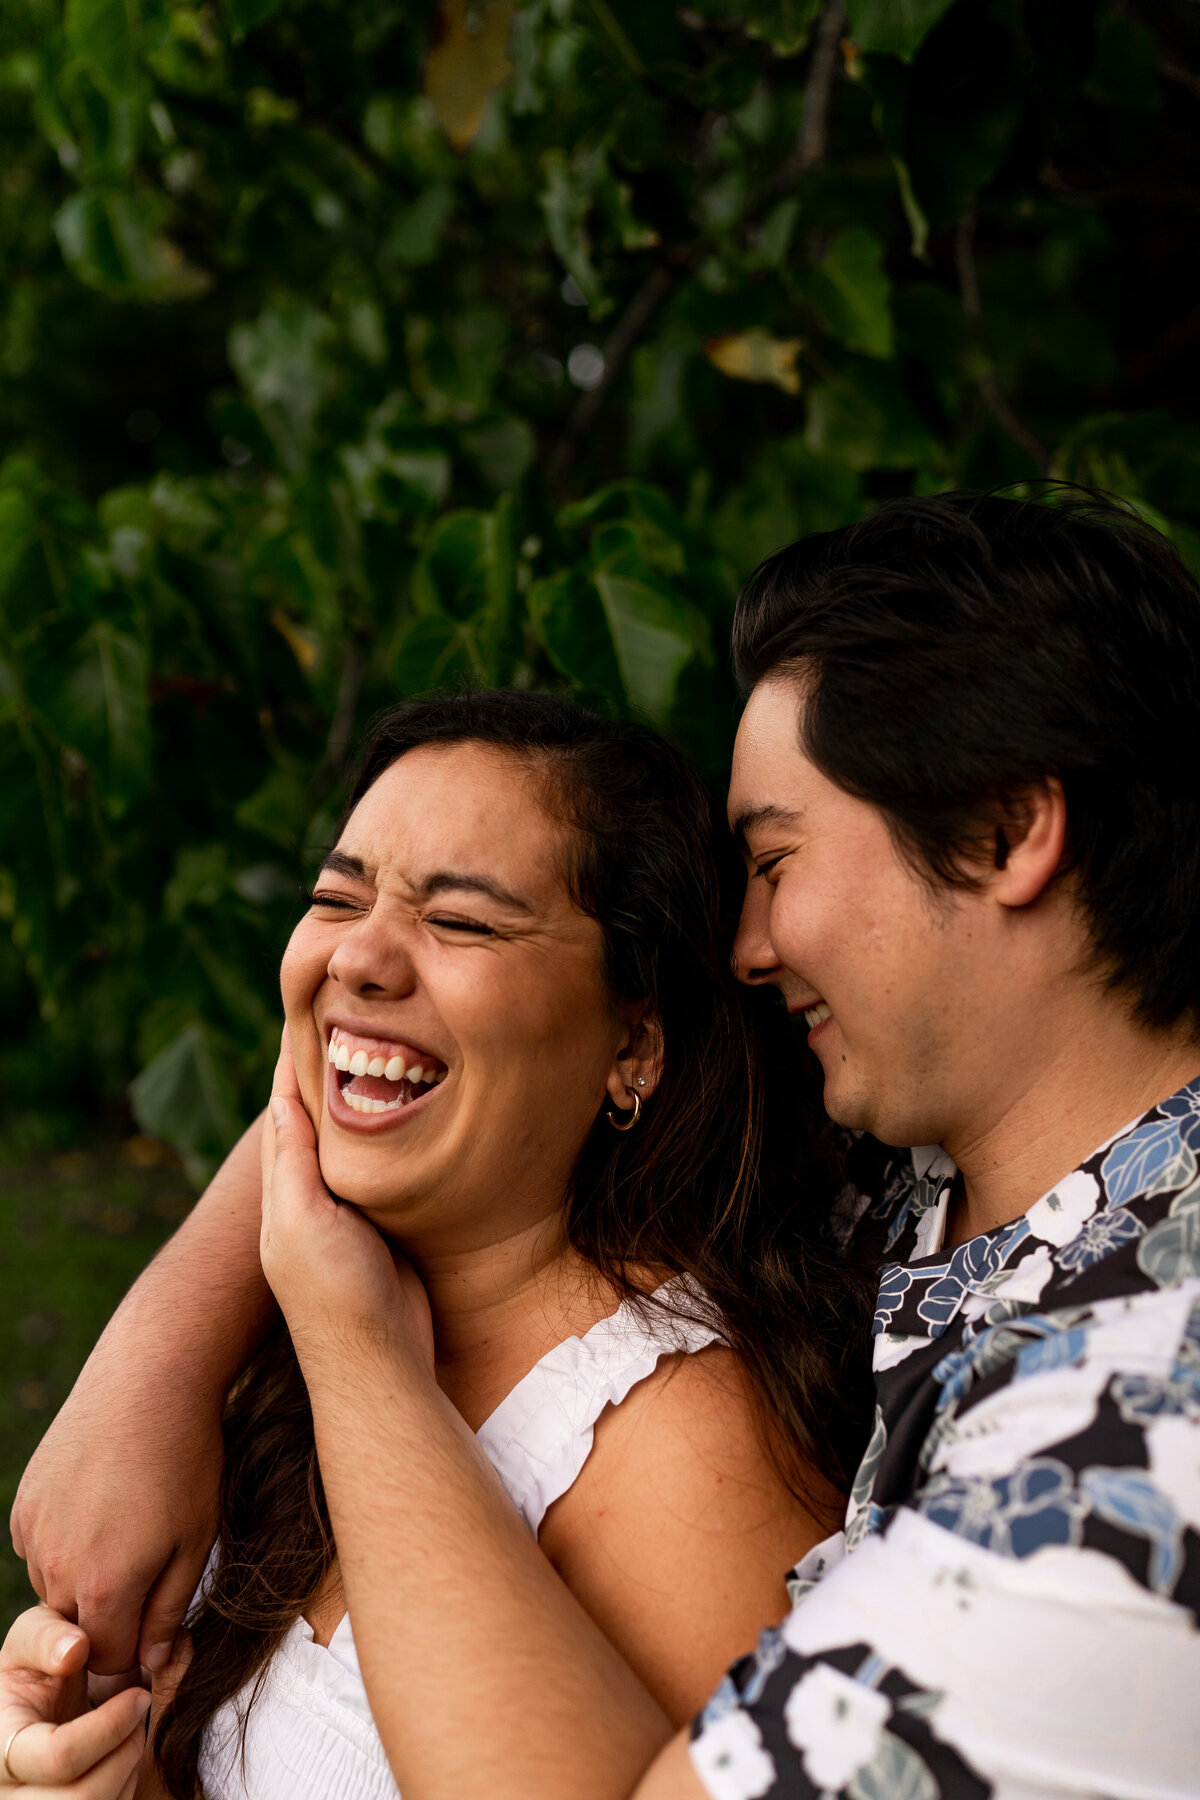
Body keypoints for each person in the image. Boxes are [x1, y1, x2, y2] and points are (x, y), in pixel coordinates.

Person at [9, 485, 1200, 1799]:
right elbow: (428, 1059)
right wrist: (164, 1348)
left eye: (779, 860)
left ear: (1005, 832)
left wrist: (345, 1334)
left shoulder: (1130, 1439)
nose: (745, 949)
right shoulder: (909, 1151)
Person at [3, 687, 868, 1796]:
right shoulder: (294, 1321)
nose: (359, 959)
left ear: (634, 1041)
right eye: (335, 896)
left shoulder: (680, 1445)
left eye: (460, 921)